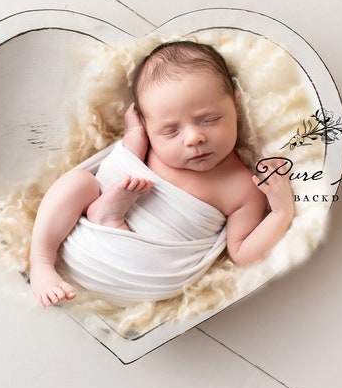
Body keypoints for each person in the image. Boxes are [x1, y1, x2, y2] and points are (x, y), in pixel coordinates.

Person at [28, 41, 294, 307]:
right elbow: (113, 168)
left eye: (209, 119)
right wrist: (134, 132)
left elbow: (243, 253)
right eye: (170, 131)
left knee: (84, 185)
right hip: (87, 243)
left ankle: (111, 219)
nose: (193, 138)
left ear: (235, 104)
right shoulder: (144, 144)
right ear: (146, 125)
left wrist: (281, 212)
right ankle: (41, 260)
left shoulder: (244, 187)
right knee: (78, 182)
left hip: (149, 274)